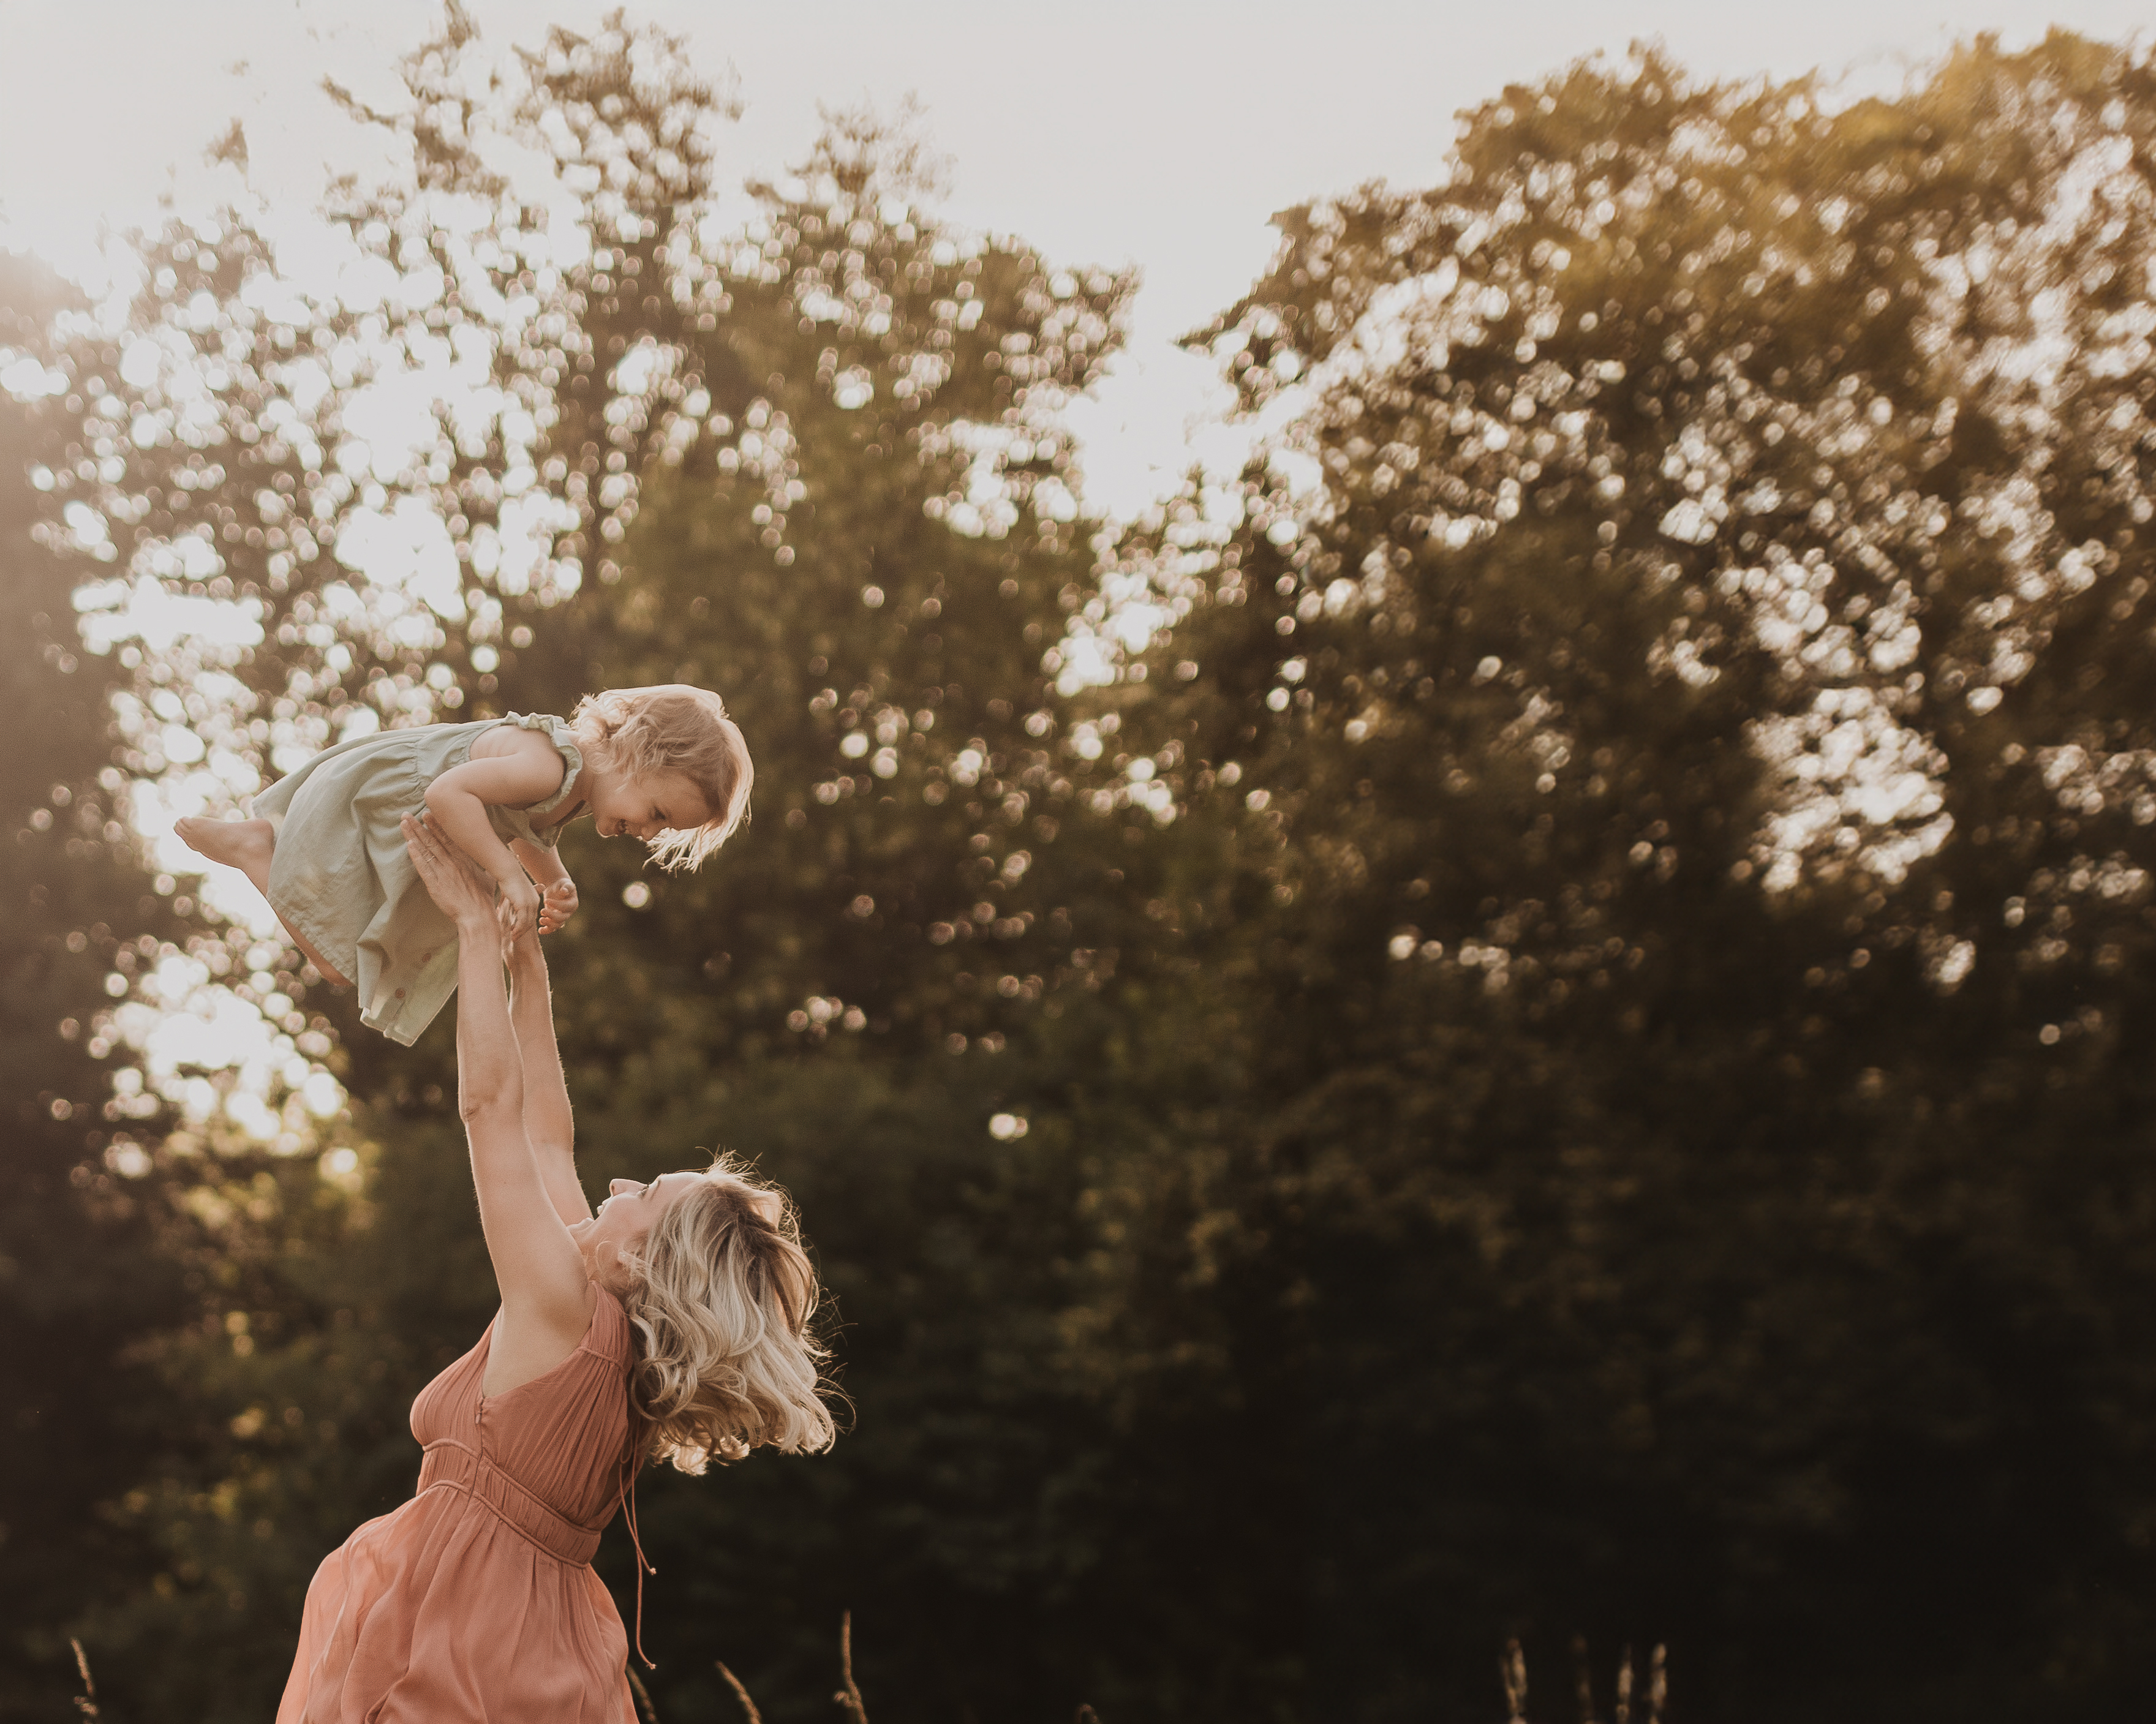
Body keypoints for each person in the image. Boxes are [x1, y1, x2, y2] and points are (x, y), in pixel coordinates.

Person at [276, 811, 835, 1723]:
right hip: (537, 1641)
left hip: (462, 1642)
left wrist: (468, 929)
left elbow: (493, 1109)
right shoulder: (606, 1335)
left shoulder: (561, 1304)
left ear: (640, 1252)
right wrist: (526, 969)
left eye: (642, 1188)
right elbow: (547, 1132)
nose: (615, 1181)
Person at [176, 684, 753, 1043]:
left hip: (410, 824)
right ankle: (258, 851)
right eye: (656, 811)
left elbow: (525, 827)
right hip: (385, 806)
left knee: (342, 963)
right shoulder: (549, 766)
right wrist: (507, 876)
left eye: (661, 829)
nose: (647, 832)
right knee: (336, 958)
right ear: (637, 753)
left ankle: (260, 855)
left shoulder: (572, 786)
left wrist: (553, 879)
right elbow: (448, 795)